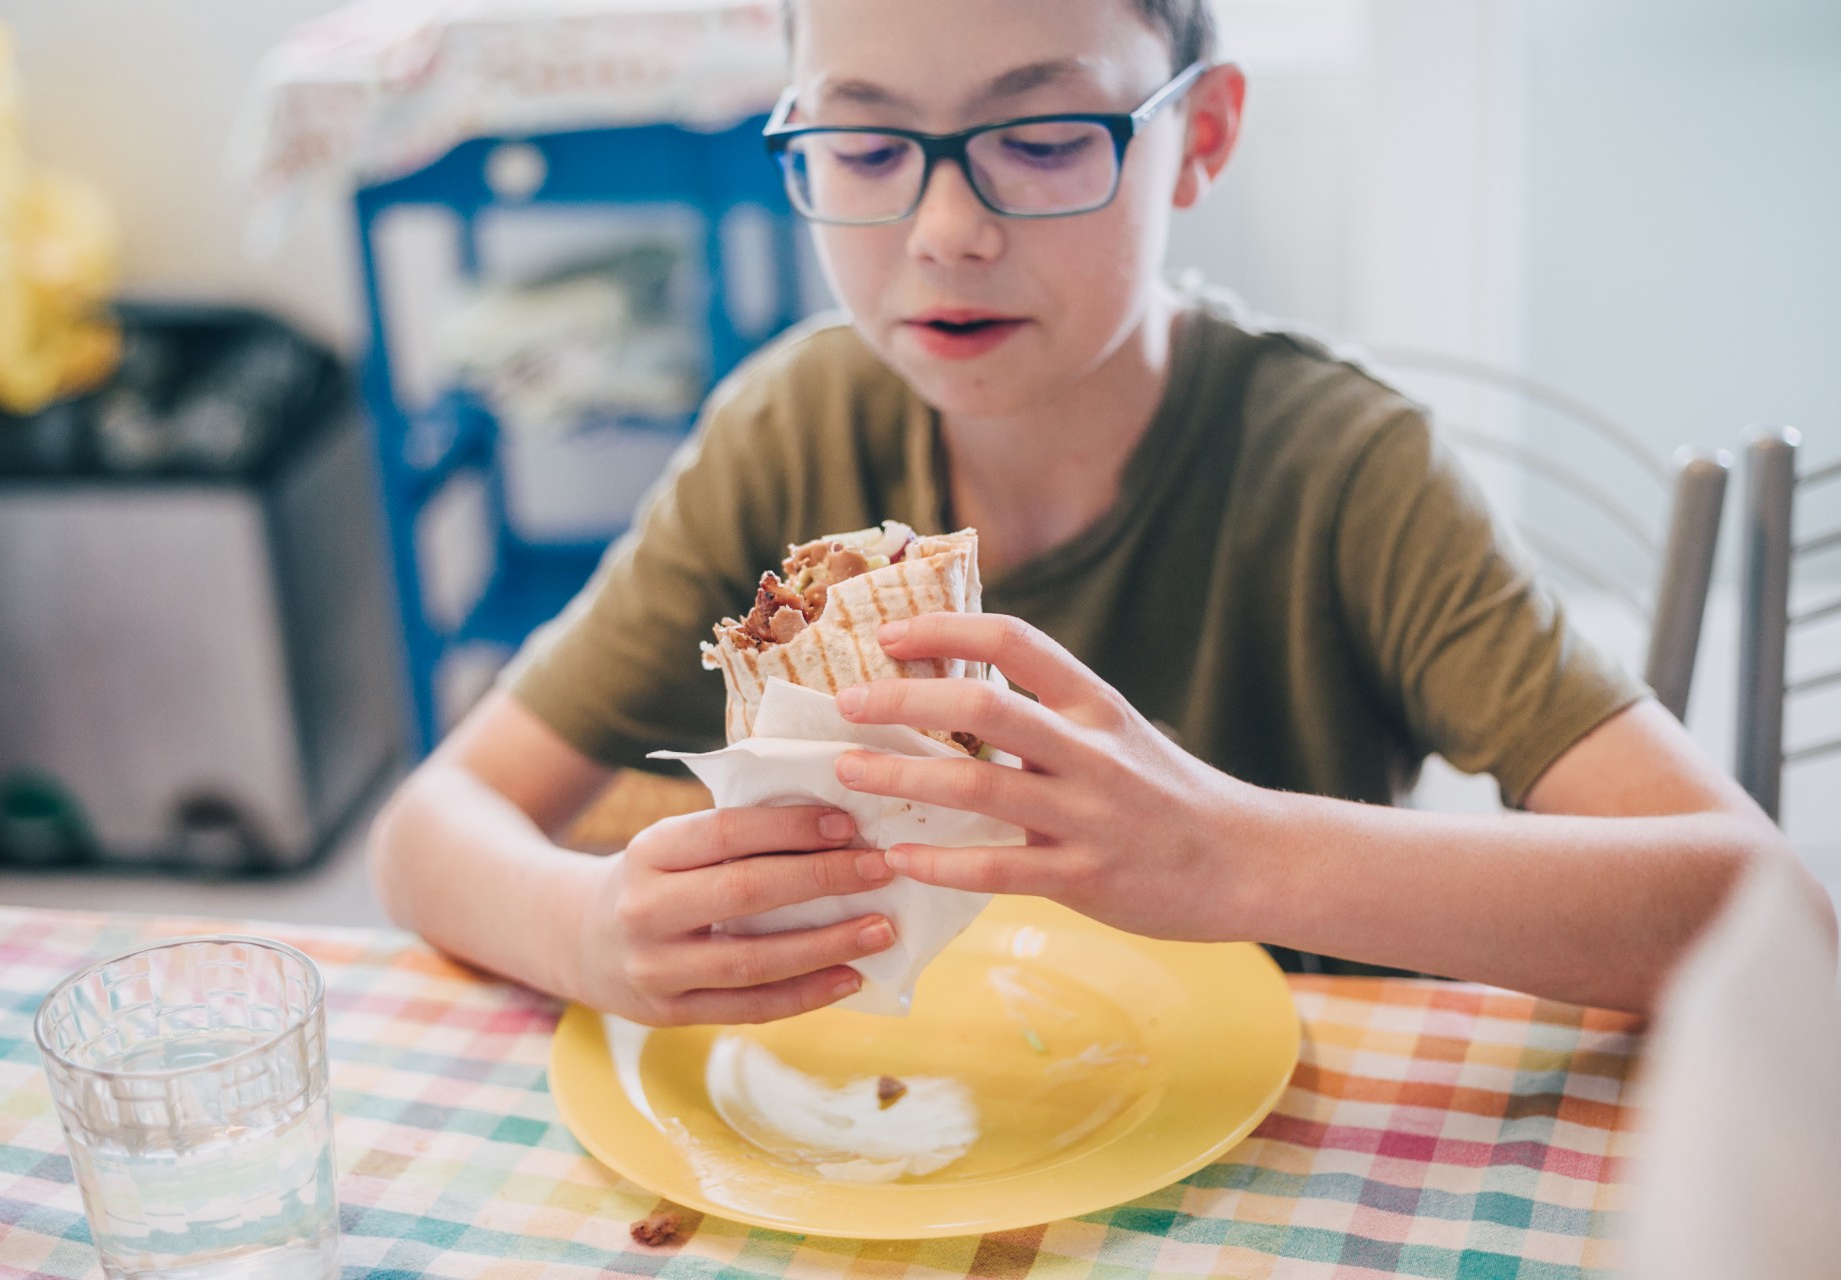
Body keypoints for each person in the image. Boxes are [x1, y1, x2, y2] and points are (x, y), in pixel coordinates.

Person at [369, 0, 1834, 1024]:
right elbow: (429, 830)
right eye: (868, 150)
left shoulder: (1345, 476)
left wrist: (1231, 856)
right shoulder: (786, 429)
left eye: (1048, 135)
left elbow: (1767, 916)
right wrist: (583, 930)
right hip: (909, 1119)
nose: (946, 229)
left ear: (1200, 137)